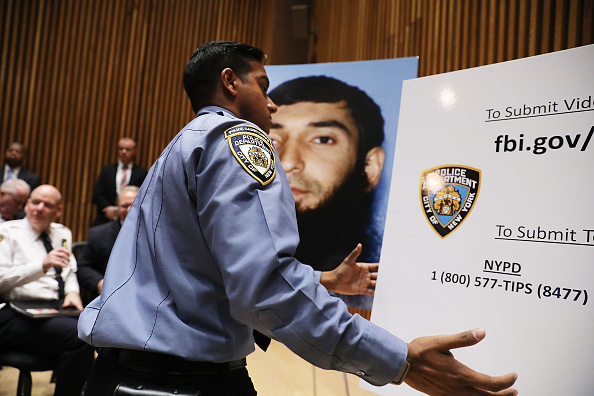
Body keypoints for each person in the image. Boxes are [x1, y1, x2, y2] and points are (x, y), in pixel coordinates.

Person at [78, 41, 518, 396]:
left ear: (370, 165)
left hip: (121, 376)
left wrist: (321, 281)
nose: (271, 105)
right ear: (230, 82)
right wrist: (400, 361)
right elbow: (262, 291)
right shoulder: (238, 137)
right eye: (264, 87)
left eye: (323, 138)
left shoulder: (180, 146)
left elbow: (198, 268)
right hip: (181, 384)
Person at [269, 76, 386, 309]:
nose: (288, 161)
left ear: (369, 167)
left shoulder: (384, 294)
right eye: (271, 140)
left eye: (322, 139)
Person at [0, 184, 95, 396]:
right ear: (26, 205)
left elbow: (69, 272)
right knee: (78, 337)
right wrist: (41, 265)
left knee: (93, 328)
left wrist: (73, 293)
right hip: (11, 312)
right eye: (35, 202)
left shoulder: (62, 233)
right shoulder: (7, 232)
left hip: (49, 311)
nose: (40, 208)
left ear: (58, 210)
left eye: (48, 205)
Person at [77, 186, 139, 302]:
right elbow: (82, 267)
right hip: (106, 299)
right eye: (124, 206)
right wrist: (99, 282)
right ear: (117, 208)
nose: (130, 209)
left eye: (134, 205)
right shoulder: (99, 234)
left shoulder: (155, 236)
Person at [92, 137, 147, 225]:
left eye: (128, 149)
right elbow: (97, 194)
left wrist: (124, 209)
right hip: (105, 218)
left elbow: (143, 196)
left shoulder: (141, 173)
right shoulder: (107, 170)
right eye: (121, 149)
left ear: (134, 151)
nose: (124, 152)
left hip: (130, 218)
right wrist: (109, 208)